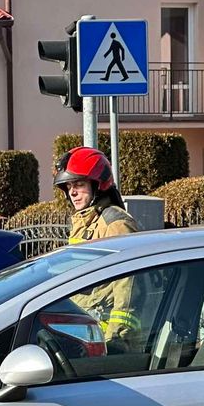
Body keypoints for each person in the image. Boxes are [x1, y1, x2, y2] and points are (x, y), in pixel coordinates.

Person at [55, 146, 140, 347]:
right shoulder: (85, 222)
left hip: (106, 338)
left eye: (79, 184)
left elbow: (128, 288)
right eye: (68, 186)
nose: (72, 192)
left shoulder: (115, 224)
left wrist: (116, 340)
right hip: (83, 330)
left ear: (98, 185)